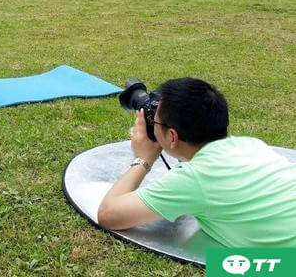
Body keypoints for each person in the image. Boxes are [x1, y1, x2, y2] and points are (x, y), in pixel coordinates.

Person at [97, 78, 296, 247]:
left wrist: (144, 158)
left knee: (227, 267)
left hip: (286, 266)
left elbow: (108, 214)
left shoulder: (194, 179)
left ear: (172, 137)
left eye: (155, 121)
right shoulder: (251, 144)